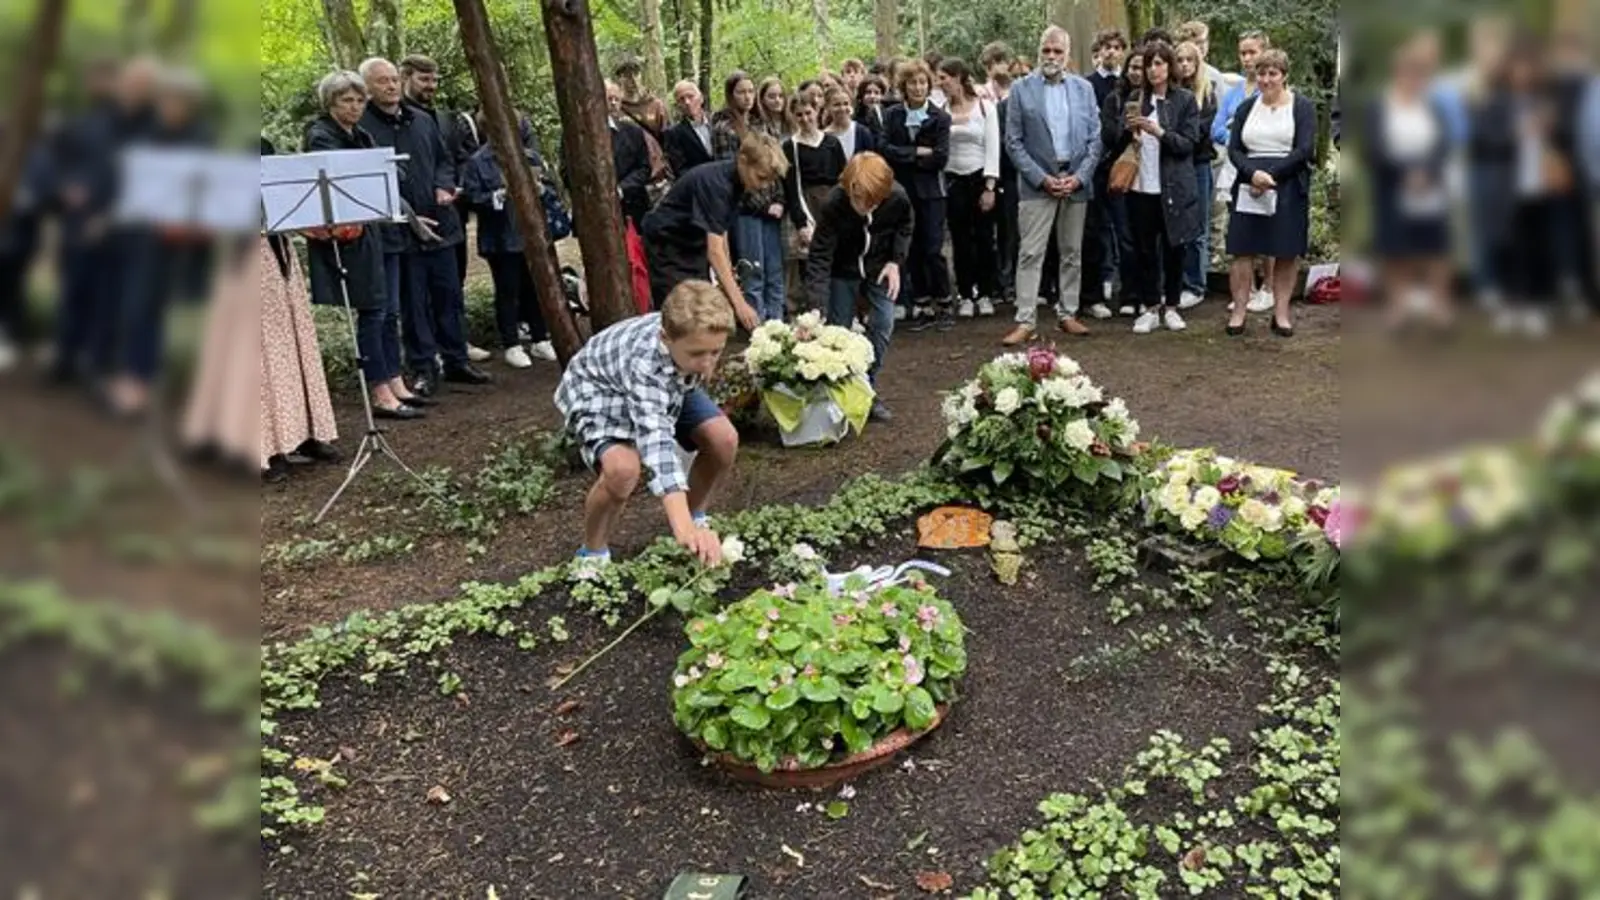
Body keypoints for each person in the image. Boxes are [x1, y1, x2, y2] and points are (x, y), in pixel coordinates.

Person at [555, 280, 741, 570]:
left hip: (668, 383)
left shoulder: (690, 340)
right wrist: (681, 529)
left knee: (723, 439)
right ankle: (592, 553)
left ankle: (693, 518)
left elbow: (686, 372)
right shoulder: (646, 363)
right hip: (600, 391)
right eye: (697, 354)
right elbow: (657, 443)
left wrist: (685, 524)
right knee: (622, 470)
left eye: (715, 352)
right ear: (665, 338)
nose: (707, 364)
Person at [361, 57, 490, 396]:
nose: (389, 86)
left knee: (449, 294)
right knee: (413, 302)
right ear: (368, 88)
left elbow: (444, 160)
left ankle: (457, 359)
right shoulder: (364, 128)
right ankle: (422, 366)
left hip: (441, 223)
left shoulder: (422, 120)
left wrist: (443, 186)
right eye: (382, 81)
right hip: (401, 230)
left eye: (392, 80)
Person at [305, 70, 428, 420]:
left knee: (389, 311)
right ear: (331, 103)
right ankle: (379, 389)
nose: (355, 106)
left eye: (360, 100)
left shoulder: (360, 134)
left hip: (376, 232)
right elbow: (345, 179)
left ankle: (394, 379)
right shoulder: (321, 135)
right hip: (347, 239)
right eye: (347, 100)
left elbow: (391, 175)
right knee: (373, 312)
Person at [1000, 26, 1103, 345]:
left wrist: (1080, 176)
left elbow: (1095, 139)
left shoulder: (1084, 89)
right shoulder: (1021, 89)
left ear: (1068, 54)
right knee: (1030, 252)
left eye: (1058, 51)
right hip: (1037, 183)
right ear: (1038, 51)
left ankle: (1067, 313)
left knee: (1072, 251)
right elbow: (1013, 141)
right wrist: (1041, 178)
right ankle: (1026, 319)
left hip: (1075, 181)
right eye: (1046, 50)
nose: (1051, 56)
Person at [1104, 41, 1205, 335]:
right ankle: (1149, 307)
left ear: (1169, 66)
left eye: (1159, 63)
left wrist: (1157, 130)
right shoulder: (1136, 98)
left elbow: (1188, 144)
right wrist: (1129, 131)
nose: (1153, 69)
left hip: (1173, 186)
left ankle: (1171, 306)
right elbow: (1114, 143)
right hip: (1140, 185)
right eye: (1149, 64)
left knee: (1175, 247)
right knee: (1144, 248)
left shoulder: (1184, 100)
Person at [803, 153, 910, 423]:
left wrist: (896, 261)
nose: (865, 207)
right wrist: (816, 306)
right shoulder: (833, 205)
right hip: (844, 270)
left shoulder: (898, 197)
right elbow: (820, 256)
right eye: (859, 199)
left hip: (880, 266)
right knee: (837, 329)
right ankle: (840, 392)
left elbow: (905, 226)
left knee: (884, 322)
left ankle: (867, 388)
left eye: (874, 201)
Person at [639, 132, 782, 330]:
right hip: (667, 244)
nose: (763, 185)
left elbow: (720, 228)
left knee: (701, 305)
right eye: (761, 178)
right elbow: (714, 251)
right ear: (743, 161)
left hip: (693, 244)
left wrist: (729, 273)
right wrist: (741, 305)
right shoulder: (716, 183)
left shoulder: (738, 183)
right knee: (679, 310)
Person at [1223, 48, 1316, 337]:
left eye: (1272, 73)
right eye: (1261, 73)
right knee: (1243, 249)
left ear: (1284, 76)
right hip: (1249, 185)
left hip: (1287, 184)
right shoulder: (1246, 108)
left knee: (1286, 250)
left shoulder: (1301, 107)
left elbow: (1304, 149)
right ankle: (1239, 311)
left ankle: (1281, 313)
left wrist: (1272, 175)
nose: (1266, 79)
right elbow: (1235, 148)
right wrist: (1253, 174)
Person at [1367, 32, 1455, 331]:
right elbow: (1375, 148)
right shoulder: (1380, 105)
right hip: (1393, 186)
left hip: (1430, 186)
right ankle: (1398, 308)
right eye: (1407, 71)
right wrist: (1405, 173)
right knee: (1396, 250)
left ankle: (1440, 308)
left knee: (1435, 249)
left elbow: (1444, 144)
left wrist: (1425, 171)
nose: (1412, 78)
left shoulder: (1433, 106)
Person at [399, 54, 486, 350]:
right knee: (416, 293)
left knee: (452, 285)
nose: (431, 86)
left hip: (450, 214)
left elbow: (459, 158)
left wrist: (454, 186)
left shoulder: (449, 119)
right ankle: (427, 351)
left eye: (435, 80)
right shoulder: (394, 118)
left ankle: (457, 345)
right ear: (405, 78)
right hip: (413, 220)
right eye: (424, 79)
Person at [461, 117, 559, 368]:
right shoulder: (478, 162)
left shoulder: (530, 157)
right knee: (508, 291)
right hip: (501, 238)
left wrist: (541, 191)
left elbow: (551, 190)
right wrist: (495, 196)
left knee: (535, 288)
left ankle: (540, 337)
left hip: (532, 236)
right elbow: (470, 196)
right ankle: (512, 343)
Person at [881, 59, 952, 328]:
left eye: (922, 82)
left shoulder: (940, 117)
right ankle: (922, 303)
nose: (918, 87)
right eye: (912, 83)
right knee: (912, 249)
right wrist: (916, 153)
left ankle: (944, 301)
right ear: (904, 86)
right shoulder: (892, 115)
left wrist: (907, 156)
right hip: (903, 191)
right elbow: (884, 149)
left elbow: (941, 158)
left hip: (932, 193)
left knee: (933, 248)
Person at [1212, 32, 1277, 316]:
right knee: (1242, 229)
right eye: (1243, 53)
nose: (1247, 59)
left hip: (1267, 167)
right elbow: (1216, 128)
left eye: (1252, 52)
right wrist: (1235, 136)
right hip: (1236, 167)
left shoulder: (1274, 89)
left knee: (1270, 229)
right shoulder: (1234, 92)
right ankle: (1246, 289)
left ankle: (1269, 288)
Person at [940, 57, 1002, 318]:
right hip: (953, 179)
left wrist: (989, 186)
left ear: (958, 78)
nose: (940, 83)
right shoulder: (940, 109)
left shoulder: (985, 108)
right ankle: (965, 294)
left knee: (985, 238)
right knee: (960, 239)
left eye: (944, 78)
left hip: (979, 177)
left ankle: (986, 293)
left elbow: (993, 146)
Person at [781, 93, 847, 313]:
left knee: (839, 258)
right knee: (811, 262)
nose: (805, 119)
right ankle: (816, 310)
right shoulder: (790, 147)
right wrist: (801, 223)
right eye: (799, 115)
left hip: (833, 203)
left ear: (817, 111)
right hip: (807, 204)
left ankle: (843, 309)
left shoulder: (831, 142)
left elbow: (843, 177)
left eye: (808, 113)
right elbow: (791, 187)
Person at [1084, 29, 1131, 318]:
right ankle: (1098, 286)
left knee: (1125, 230)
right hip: (1096, 167)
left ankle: (1127, 289)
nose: (1112, 52)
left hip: (1124, 166)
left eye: (1117, 47)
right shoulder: (1087, 85)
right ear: (1098, 50)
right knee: (1096, 229)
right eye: (1107, 47)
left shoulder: (1128, 87)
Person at [1175, 40, 1219, 309]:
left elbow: (1198, 133)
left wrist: (1177, 137)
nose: (1185, 65)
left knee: (1198, 227)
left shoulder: (1208, 94)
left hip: (1199, 164)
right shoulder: (1170, 93)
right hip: (1174, 166)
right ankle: (1176, 281)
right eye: (1180, 60)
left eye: (1190, 60)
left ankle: (1195, 283)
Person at [604, 79, 654, 226]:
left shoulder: (633, 132)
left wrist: (621, 189)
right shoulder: (578, 135)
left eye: (616, 99)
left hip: (633, 207)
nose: (613, 103)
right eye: (608, 99)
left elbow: (645, 168)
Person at [664, 79, 715, 176]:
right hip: (698, 183)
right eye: (681, 99)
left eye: (690, 96)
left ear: (701, 98)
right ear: (678, 105)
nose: (687, 102)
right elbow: (680, 169)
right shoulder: (673, 134)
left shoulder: (717, 122)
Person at [612, 54, 670, 138]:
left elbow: (668, 138)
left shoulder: (656, 105)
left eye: (636, 74)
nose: (633, 80)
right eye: (628, 76)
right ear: (620, 78)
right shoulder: (615, 106)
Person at [823, 86, 876, 161]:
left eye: (846, 104)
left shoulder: (862, 132)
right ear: (827, 107)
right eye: (837, 105)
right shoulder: (824, 137)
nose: (842, 108)